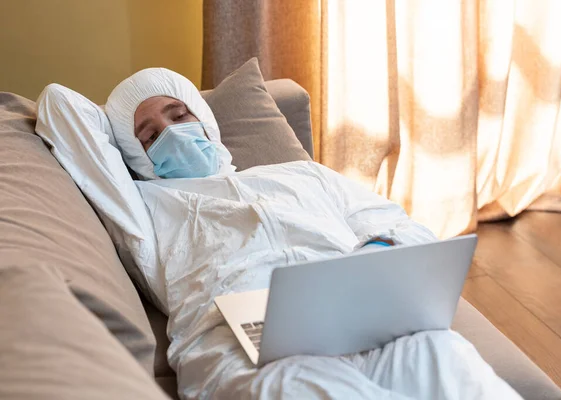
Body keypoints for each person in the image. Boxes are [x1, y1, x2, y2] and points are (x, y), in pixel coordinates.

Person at [47, 68, 521, 399]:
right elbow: (58, 106)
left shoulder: (302, 175)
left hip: (363, 318)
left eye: (178, 114)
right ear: (134, 156)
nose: (170, 133)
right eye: (148, 136)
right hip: (246, 349)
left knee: (447, 361)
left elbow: (401, 226)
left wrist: (373, 254)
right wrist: (121, 124)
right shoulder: (144, 209)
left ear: (206, 119)